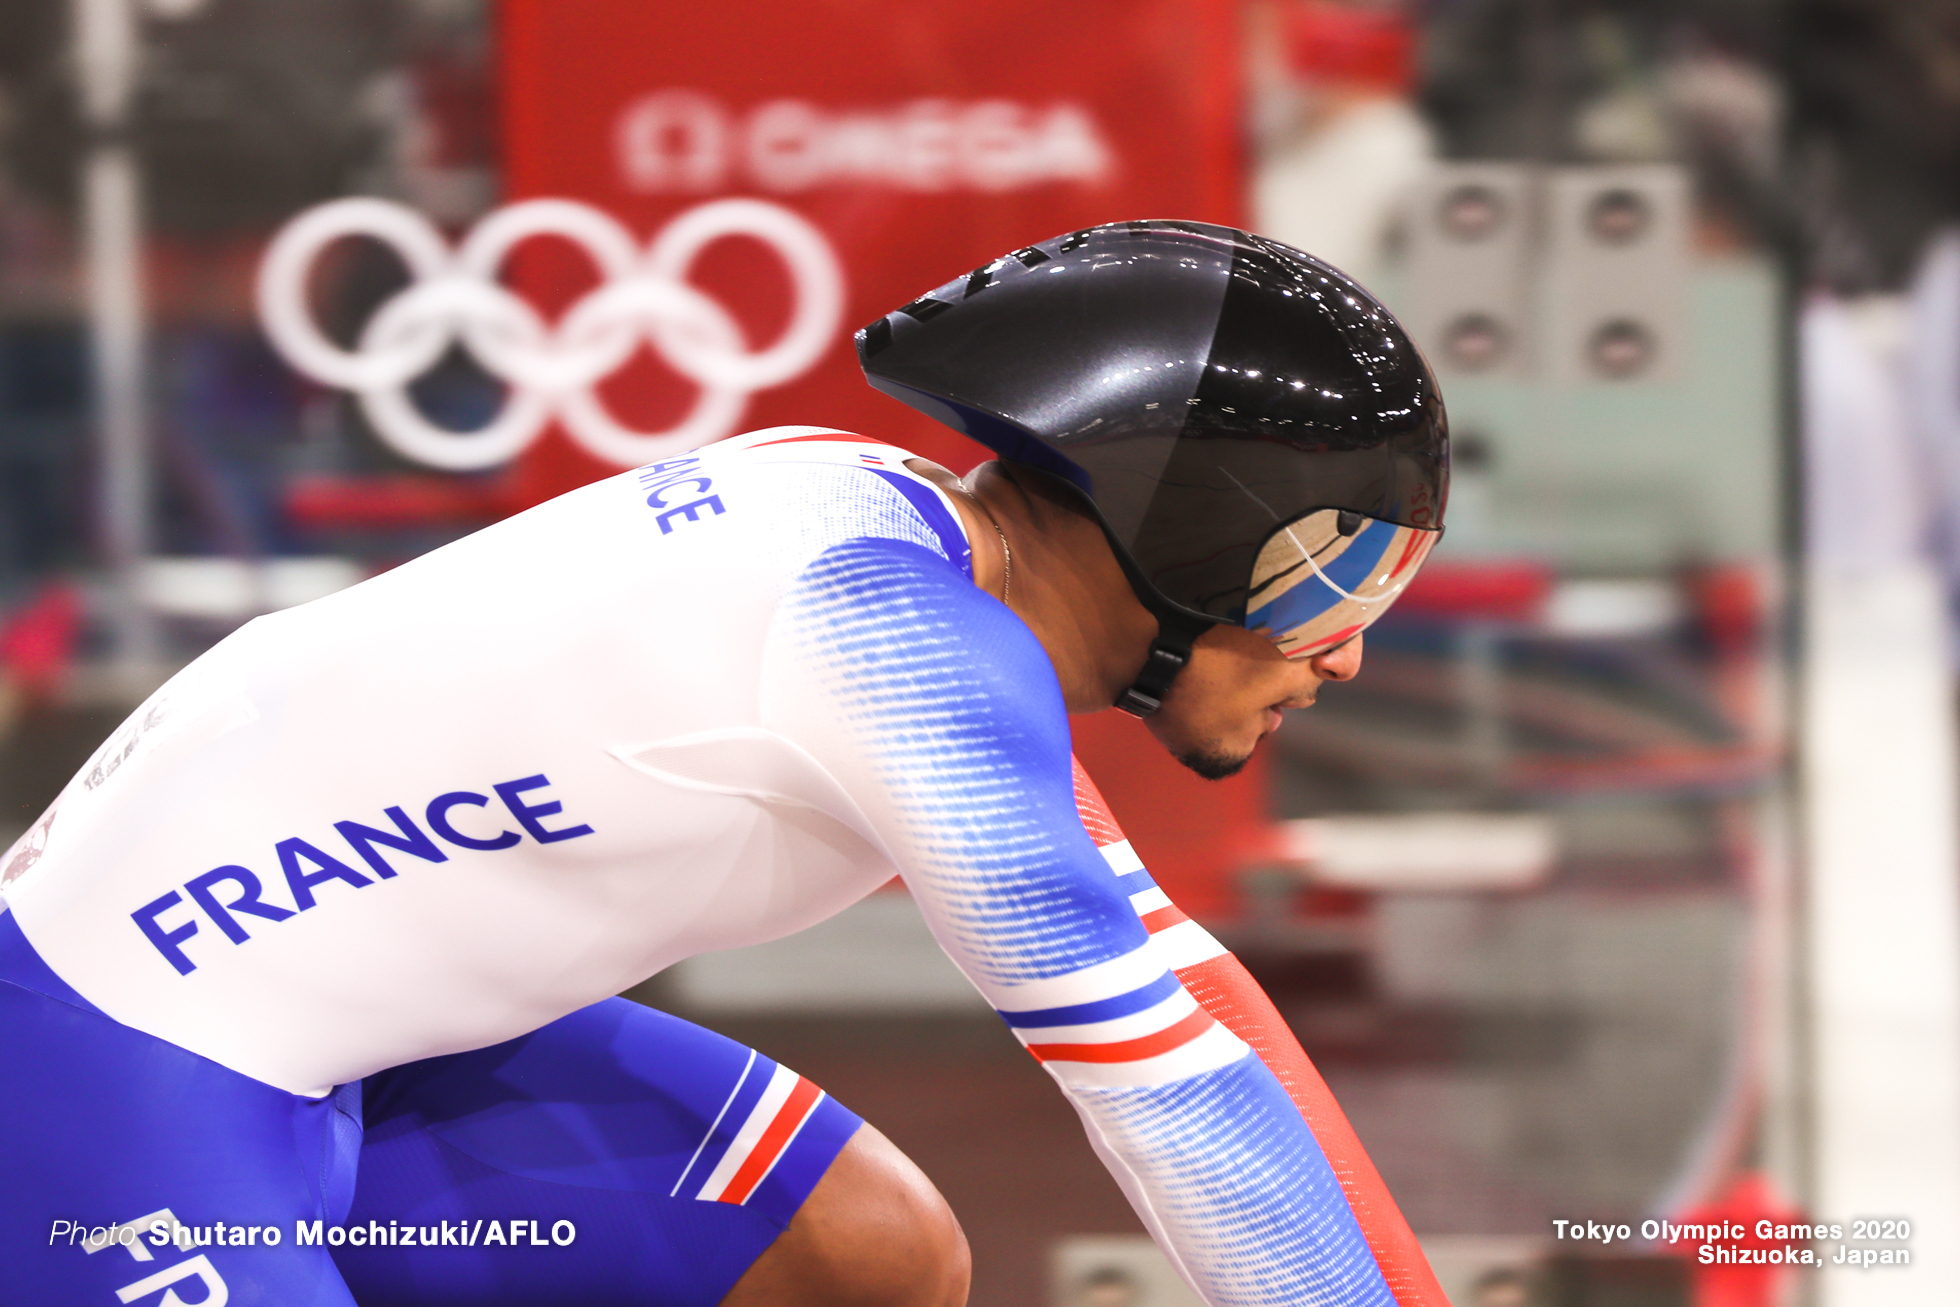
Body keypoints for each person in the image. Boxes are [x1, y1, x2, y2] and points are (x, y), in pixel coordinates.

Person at [1, 220, 1447, 1306]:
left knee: (862, 1255)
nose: (1348, 655)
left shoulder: (898, 552)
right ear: (1187, 537)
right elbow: (1171, 1101)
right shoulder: (908, 651)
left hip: (350, 1041)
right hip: (115, 1067)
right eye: (1337, 581)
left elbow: (1200, 1008)